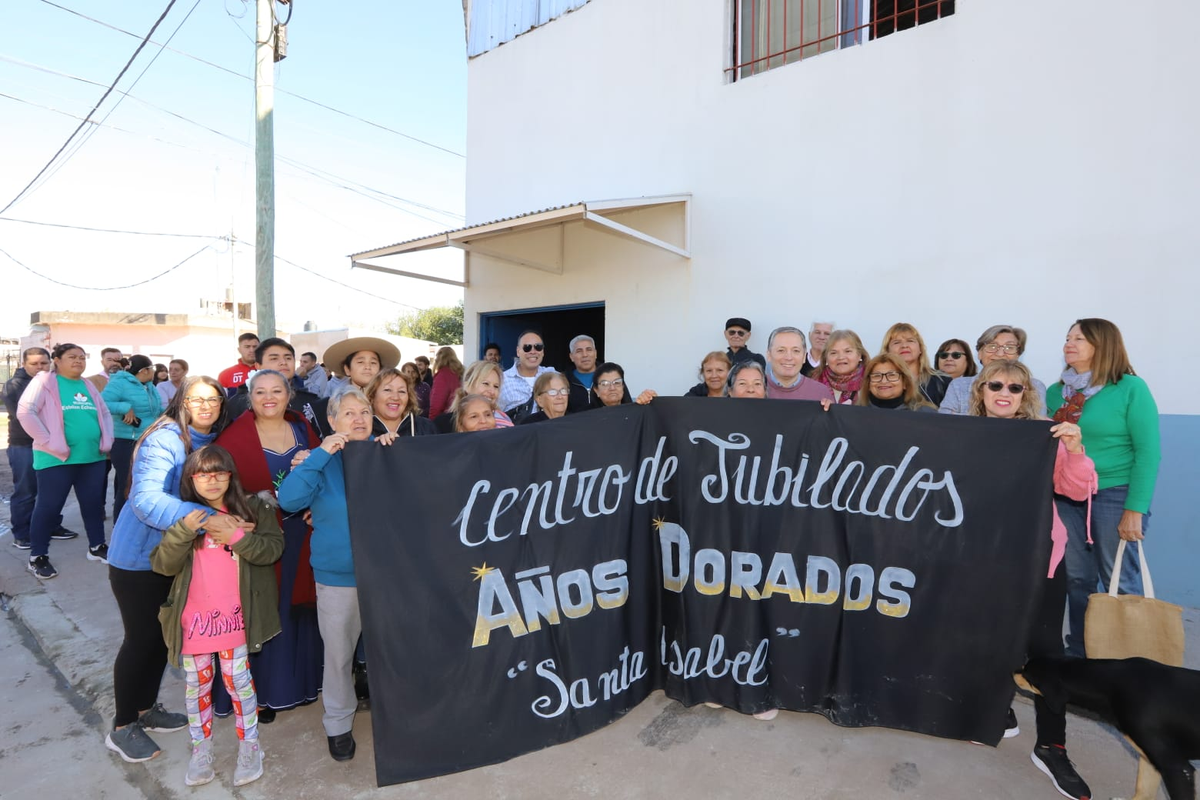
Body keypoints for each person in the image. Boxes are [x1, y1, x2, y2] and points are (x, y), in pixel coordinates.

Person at [968, 359, 1097, 800]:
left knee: (1047, 654)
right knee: (989, 640)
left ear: (1027, 394)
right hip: (985, 561)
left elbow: (1078, 491)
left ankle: (1052, 746)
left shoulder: (1046, 436)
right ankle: (997, 712)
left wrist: (1076, 450)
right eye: (996, 384)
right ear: (981, 389)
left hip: (1041, 561)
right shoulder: (961, 436)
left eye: (1016, 387)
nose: (1005, 392)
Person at [105, 375, 246, 763]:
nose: (205, 406)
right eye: (195, 400)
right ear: (181, 402)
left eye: (213, 399)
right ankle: (121, 726)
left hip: (176, 557)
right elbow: (146, 500)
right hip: (138, 559)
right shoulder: (166, 438)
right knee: (141, 639)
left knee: (162, 637)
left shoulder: (209, 441)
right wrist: (207, 520)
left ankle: (146, 709)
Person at [150, 445, 282, 788]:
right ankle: (200, 750)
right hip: (195, 622)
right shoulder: (183, 515)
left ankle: (250, 747)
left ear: (230, 475)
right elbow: (163, 564)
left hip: (237, 619)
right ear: (191, 479)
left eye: (219, 472)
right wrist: (183, 531)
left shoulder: (254, 507)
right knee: (197, 687)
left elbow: (272, 549)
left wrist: (236, 537)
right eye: (202, 474)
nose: (211, 481)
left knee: (239, 683)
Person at [277, 386, 381, 762]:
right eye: (348, 413)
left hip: (387, 575)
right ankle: (337, 725)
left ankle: (397, 713)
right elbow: (289, 500)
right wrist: (320, 454)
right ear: (332, 422)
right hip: (338, 577)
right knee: (338, 657)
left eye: (364, 412)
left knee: (389, 652)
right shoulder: (317, 460)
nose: (358, 419)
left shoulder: (385, 452)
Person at [1047, 318, 1161, 660]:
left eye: (1079, 338)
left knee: (1119, 583)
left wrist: (1134, 509)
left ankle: (1127, 663)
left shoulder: (1130, 388)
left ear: (1103, 345)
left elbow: (1148, 451)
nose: (1069, 344)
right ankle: (1081, 656)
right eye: (1067, 338)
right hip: (1068, 497)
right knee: (1078, 581)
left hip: (1115, 495)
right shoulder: (1057, 393)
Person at [215, 370, 324, 722]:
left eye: (277, 390)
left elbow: (321, 475)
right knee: (264, 610)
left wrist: (315, 507)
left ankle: (300, 683)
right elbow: (224, 489)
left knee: (300, 609)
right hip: (261, 538)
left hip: (301, 534)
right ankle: (261, 691)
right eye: (260, 392)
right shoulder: (234, 437)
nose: (269, 398)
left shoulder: (302, 428)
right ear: (250, 396)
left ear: (289, 393)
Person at [17, 343, 114, 578]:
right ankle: (37, 556)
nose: (78, 361)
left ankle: (97, 546)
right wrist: (50, 442)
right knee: (48, 507)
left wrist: (107, 441)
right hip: (55, 458)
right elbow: (25, 412)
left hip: (91, 457)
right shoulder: (44, 382)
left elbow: (104, 413)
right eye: (72, 357)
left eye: (82, 357)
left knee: (92, 505)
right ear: (57, 360)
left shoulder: (87, 384)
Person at [5, 347, 78, 550]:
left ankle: (53, 525)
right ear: (24, 364)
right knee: (26, 491)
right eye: (34, 363)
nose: (39, 367)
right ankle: (21, 533)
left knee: (52, 490)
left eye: (43, 363)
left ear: (51, 363)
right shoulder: (15, 385)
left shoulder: (54, 382)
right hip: (24, 446)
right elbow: (27, 416)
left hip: (52, 445)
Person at [103, 355, 164, 522]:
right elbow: (101, 403)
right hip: (126, 442)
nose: (154, 372)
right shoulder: (119, 383)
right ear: (144, 371)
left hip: (148, 439)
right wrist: (124, 407)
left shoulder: (149, 386)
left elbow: (156, 409)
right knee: (127, 485)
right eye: (152, 369)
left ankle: (139, 523)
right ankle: (120, 526)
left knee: (144, 484)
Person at [939, 325, 1046, 416]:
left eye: (1009, 347)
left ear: (1018, 355)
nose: (1000, 354)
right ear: (979, 354)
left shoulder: (1035, 387)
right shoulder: (960, 386)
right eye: (992, 346)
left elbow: (1037, 426)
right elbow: (946, 424)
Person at [224, 338, 322, 433]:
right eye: (274, 358)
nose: (283, 362)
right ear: (258, 366)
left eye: (288, 358)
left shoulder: (310, 401)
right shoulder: (237, 403)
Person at [312, 337, 401, 438]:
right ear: (347, 369)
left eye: (373, 363)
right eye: (360, 362)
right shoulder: (324, 407)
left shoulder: (390, 405)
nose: (368, 367)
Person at [879, 323, 950, 407]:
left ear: (920, 349)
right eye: (896, 342)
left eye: (910, 341)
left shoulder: (942, 381)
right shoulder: (879, 382)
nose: (904, 346)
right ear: (887, 351)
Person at [434, 360, 514, 433]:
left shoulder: (504, 418)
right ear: (467, 386)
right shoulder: (443, 424)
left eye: (496, 386)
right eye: (486, 383)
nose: (492, 391)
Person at [764, 327, 835, 402]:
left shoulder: (821, 393)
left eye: (796, 351)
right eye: (781, 350)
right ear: (769, 355)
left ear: (804, 356)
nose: (789, 357)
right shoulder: (754, 389)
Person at [498, 331, 552, 422]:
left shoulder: (551, 375)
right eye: (527, 348)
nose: (533, 352)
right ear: (518, 351)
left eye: (538, 347)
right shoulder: (502, 380)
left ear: (542, 352)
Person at [367, 368, 437, 438]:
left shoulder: (426, 427)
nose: (395, 397)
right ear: (372, 396)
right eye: (387, 390)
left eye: (401, 391)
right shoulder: (361, 428)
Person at [856, 354, 936, 412]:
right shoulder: (854, 415)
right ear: (868, 384)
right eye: (876, 376)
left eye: (891, 375)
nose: (884, 381)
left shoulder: (926, 415)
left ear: (905, 382)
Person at [811, 329, 869, 405]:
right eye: (834, 353)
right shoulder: (812, 384)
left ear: (859, 355)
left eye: (848, 351)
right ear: (826, 358)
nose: (841, 357)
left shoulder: (872, 383)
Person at [589, 362, 656, 408]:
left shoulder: (634, 411)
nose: (612, 388)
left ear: (623, 386)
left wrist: (651, 402)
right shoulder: (585, 416)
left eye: (617, 382)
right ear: (596, 390)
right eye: (605, 384)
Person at [566, 334, 599, 412]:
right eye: (579, 351)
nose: (585, 355)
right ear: (571, 357)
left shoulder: (609, 375)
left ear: (595, 353)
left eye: (589, 349)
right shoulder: (564, 380)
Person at [428, 346, 464, 418]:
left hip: (445, 419)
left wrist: (431, 423)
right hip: (459, 416)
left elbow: (436, 404)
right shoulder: (460, 373)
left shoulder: (442, 375)